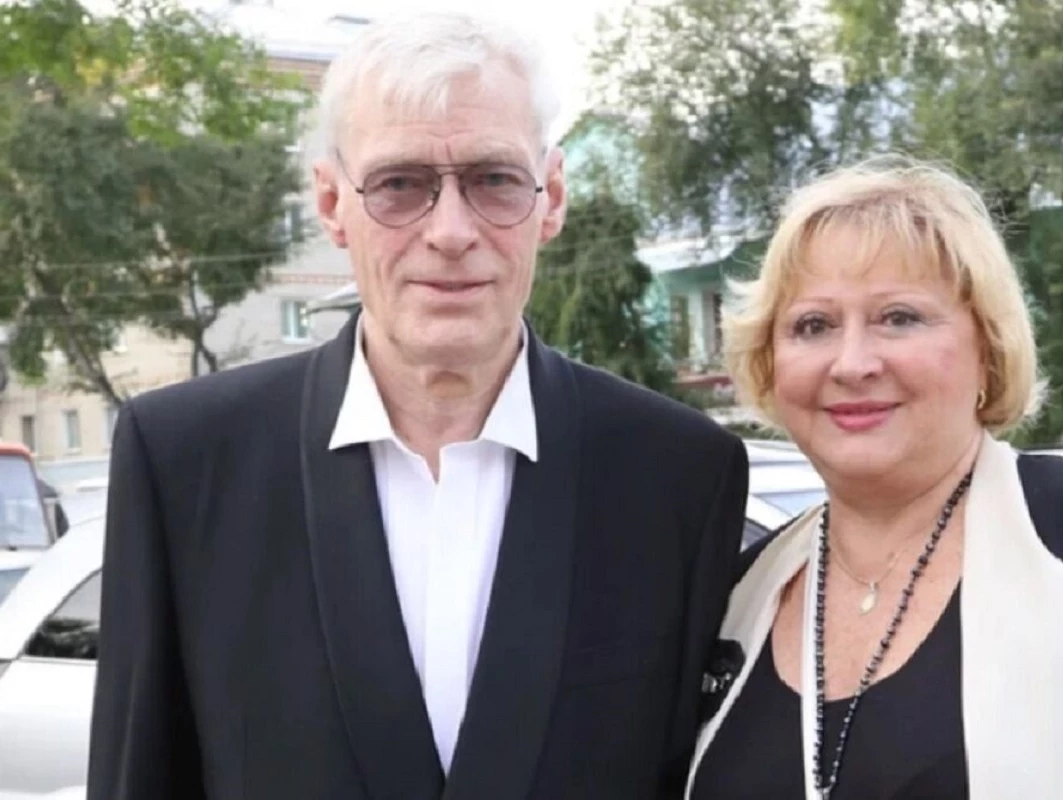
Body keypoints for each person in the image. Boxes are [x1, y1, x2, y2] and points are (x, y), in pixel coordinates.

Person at [88, 12, 748, 800]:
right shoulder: (185, 461)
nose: (451, 231)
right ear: (331, 203)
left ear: (551, 198)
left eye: (494, 180)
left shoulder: (678, 475)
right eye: (399, 184)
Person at [685, 156, 1063, 799]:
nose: (852, 363)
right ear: (769, 363)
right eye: (813, 325)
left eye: (899, 317)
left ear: (988, 348)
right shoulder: (742, 594)